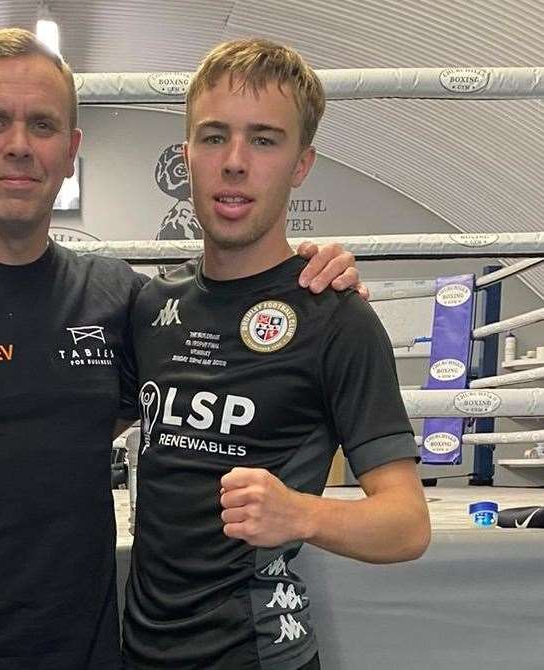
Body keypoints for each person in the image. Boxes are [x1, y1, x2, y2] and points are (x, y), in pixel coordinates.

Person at [0, 29, 361, 670]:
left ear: (70, 150)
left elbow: (214, 336)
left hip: (90, 655)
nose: (18, 146)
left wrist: (309, 276)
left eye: (43, 125)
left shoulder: (119, 298)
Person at [122, 39, 431, 670]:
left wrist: (299, 513)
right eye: (213, 138)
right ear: (188, 155)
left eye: (264, 140)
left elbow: (407, 525)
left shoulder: (336, 316)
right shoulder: (153, 305)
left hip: (259, 656)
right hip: (138, 652)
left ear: (300, 163)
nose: (234, 163)